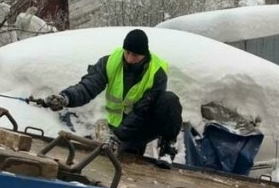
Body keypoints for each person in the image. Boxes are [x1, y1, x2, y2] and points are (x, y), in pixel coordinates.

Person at [41, 29, 182, 169]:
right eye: (128, 53)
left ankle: (167, 148)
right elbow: (89, 85)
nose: (130, 58)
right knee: (124, 164)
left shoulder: (156, 73)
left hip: (143, 125)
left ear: (144, 55)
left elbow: (142, 111)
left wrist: (119, 137)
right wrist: (66, 98)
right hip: (117, 125)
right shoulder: (110, 63)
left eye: (136, 55)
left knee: (169, 100)